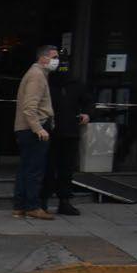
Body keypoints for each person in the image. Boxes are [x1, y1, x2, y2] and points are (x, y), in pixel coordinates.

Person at [42, 58, 93, 216]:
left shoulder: (76, 84)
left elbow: (88, 101)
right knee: (48, 168)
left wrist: (87, 113)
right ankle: (43, 200)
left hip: (70, 131)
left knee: (66, 169)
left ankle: (64, 201)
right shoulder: (47, 83)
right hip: (50, 132)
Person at [12, 45, 58, 221]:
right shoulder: (37, 76)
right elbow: (30, 107)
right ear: (43, 58)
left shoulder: (37, 74)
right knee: (34, 170)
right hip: (33, 130)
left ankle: (20, 206)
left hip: (27, 129)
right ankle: (32, 206)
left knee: (26, 168)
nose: (56, 61)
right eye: (53, 57)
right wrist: (38, 128)